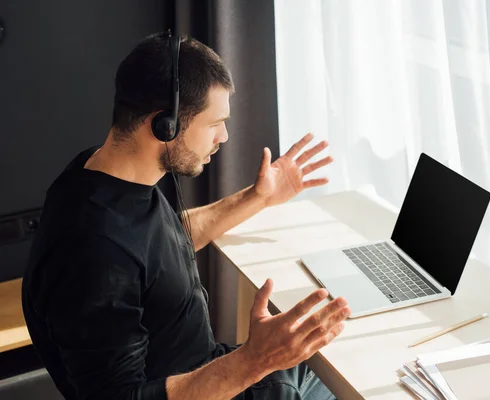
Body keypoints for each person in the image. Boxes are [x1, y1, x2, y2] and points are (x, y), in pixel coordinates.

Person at [22, 32, 351, 400]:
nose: (223, 136)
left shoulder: (98, 174)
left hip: (224, 373)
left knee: (344, 367)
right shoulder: (93, 248)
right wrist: (255, 360)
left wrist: (258, 198)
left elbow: (159, 245)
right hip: (223, 383)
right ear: (165, 125)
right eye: (214, 123)